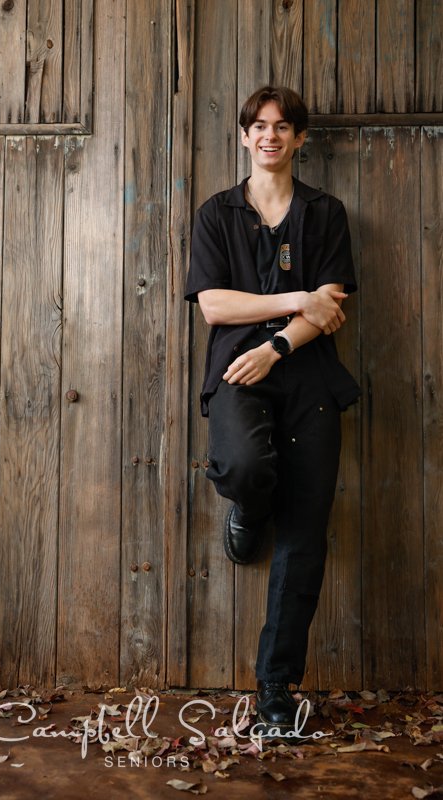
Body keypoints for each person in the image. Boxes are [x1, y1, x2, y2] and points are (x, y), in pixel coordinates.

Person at [185, 86, 360, 733]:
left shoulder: (325, 213)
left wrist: (280, 344)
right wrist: (294, 301)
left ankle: (275, 690)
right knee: (241, 468)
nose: (269, 137)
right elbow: (215, 306)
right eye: (258, 126)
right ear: (242, 136)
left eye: (283, 127)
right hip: (237, 370)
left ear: (300, 139)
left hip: (309, 377)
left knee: (304, 538)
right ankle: (248, 510)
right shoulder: (216, 213)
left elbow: (331, 304)